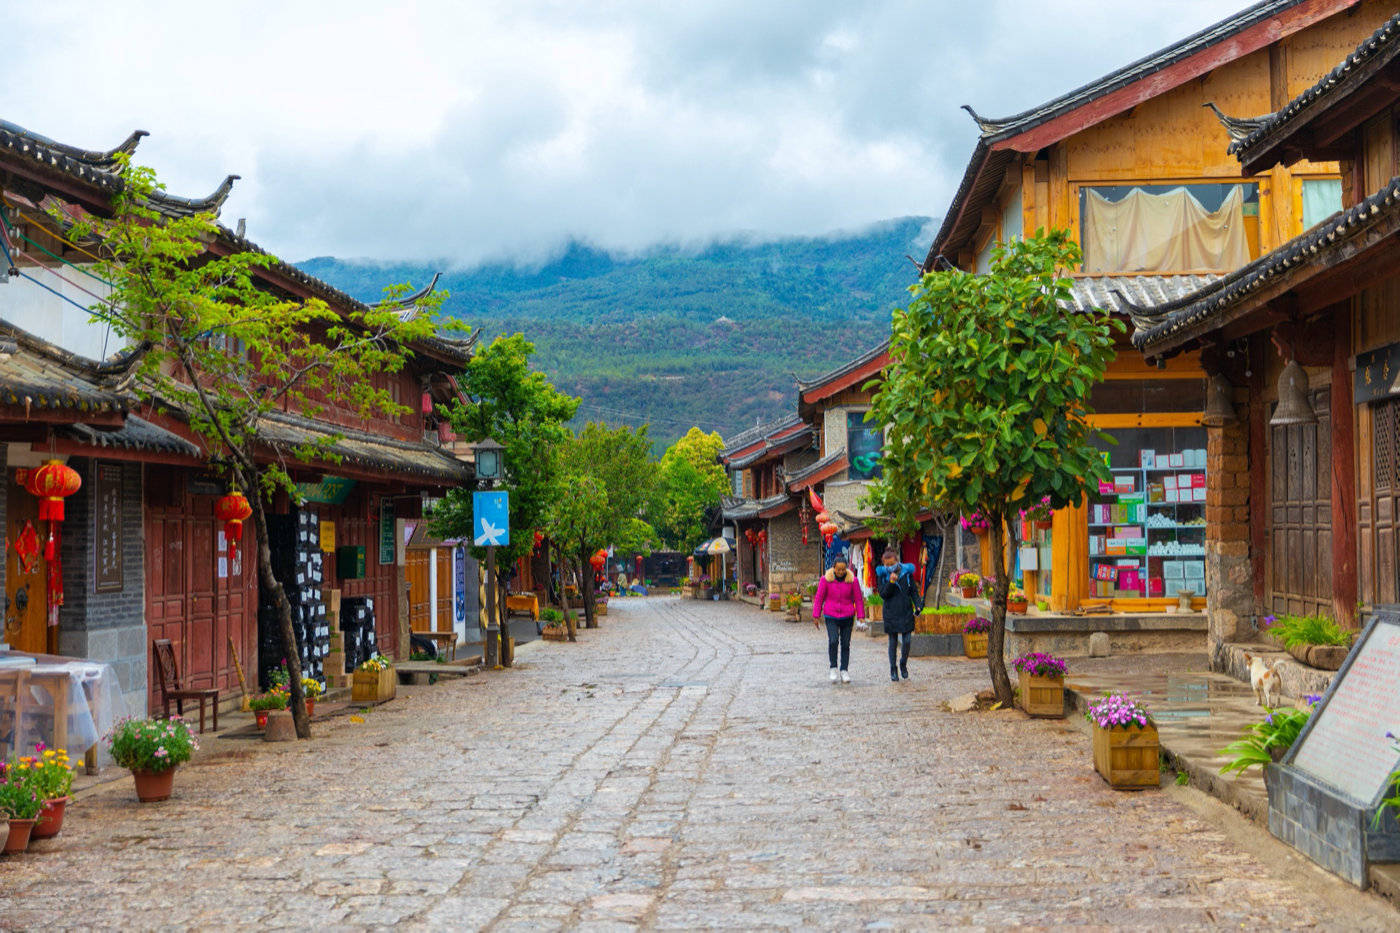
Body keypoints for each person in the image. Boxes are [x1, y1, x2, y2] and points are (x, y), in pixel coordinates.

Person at [812, 557, 865, 684]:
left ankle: (844, 670)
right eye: (838, 569)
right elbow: (819, 597)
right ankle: (833, 667)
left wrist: (861, 616)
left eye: (843, 569)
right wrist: (816, 615)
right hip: (831, 615)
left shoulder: (853, 580)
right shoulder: (826, 580)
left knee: (846, 644)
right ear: (833, 568)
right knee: (833, 641)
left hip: (847, 616)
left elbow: (858, 599)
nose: (841, 572)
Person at [877, 548, 921, 682]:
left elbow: (913, 590)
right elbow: (883, 594)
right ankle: (893, 669)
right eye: (887, 565)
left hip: (905, 610)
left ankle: (903, 663)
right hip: (891, 612)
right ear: (884, 564)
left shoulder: (907, 573)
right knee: (893, 642)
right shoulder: (882, 575)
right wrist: (890, 582)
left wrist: (918, 604)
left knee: (907, 641)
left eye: (892, 564)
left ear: (897, 561)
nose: (890, 567)